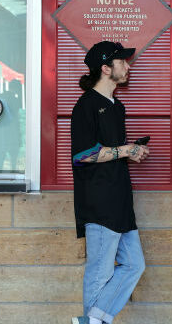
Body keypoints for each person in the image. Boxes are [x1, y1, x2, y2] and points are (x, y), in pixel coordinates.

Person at [70, 41, 150, 324]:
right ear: (105, 68)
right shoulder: (86, 105)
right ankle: (92, 322)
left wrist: (132, 150)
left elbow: (111, 151)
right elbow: (83, 155)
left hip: (119, 199)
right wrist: (126, 149)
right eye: (123, 62)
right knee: (100, 272)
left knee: (134, 265)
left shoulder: (116, 106)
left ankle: (92, 320)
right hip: (99, 200)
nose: (128, 66)